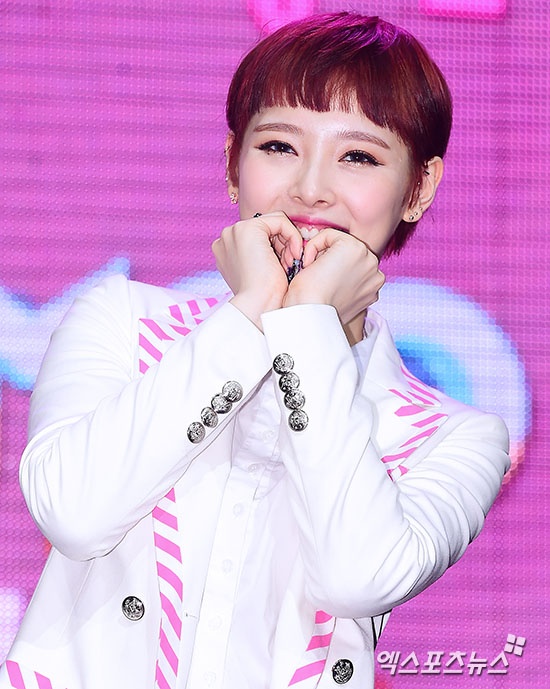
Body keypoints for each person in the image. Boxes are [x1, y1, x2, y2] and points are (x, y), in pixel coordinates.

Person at [1, 12, 509, 689]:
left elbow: (356, 578)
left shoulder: (454, 435)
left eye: (358, 157)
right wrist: (250, 315)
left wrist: (309, 325)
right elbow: (74, 514)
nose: (310, 188)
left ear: (419, 187)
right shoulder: (122, 322)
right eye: (278, 146)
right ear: (232, 165)